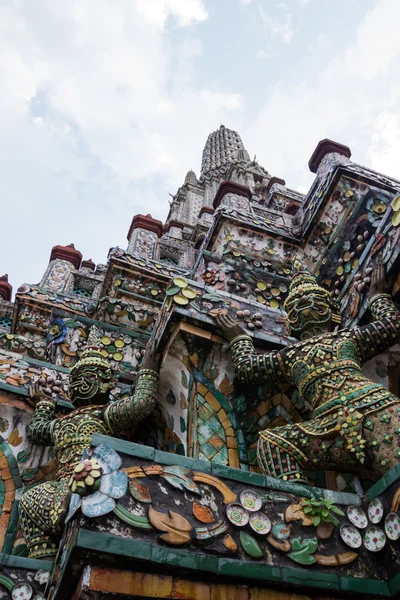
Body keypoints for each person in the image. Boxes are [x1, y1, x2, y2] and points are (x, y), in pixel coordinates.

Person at [215, 258, 400, 485]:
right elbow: (247, 369)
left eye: (314, 304)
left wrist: (377, 297)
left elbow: (392, 326)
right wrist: (239, 338)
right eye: (296, 308)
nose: (305, 309)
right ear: (290, 323)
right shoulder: (291, 356)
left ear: (331, 313)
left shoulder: (346, 338)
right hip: (329, 429)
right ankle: (305, 510)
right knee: (271, 443)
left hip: (377, 408)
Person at [19, 339, 160, 559]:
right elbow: (36, 431)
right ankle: (43, 566)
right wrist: (44, 403)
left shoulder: (105, 414)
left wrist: (148, 369)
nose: (80, 385)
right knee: (29, 500)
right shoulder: (61, 423)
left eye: (88, 379)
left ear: (107, 383)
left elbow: (142, 403)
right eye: (75, 380)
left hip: (94, 479)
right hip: (61, 487)